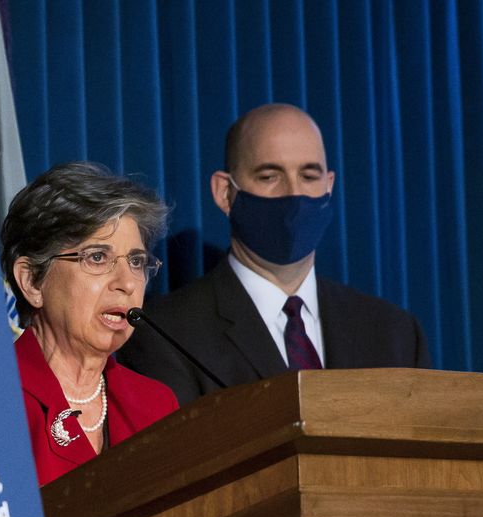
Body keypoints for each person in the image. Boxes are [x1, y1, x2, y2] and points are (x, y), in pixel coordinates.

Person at [115, 104, 431, 403]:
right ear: (225, 192)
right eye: (270, 177)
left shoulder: (395, 334)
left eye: (309, 176)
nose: (293, 194)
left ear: (329, 186)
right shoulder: (167, 335)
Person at [0, 162, 178, 485]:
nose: (127, 283)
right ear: (31, 282)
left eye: (136, 261)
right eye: (97, 257)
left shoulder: (156, 406)